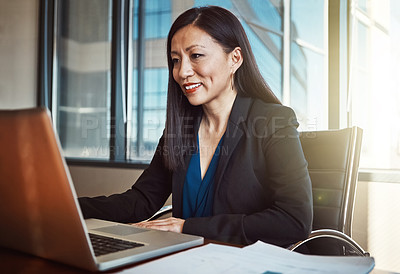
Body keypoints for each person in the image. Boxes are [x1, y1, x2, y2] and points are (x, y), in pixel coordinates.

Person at [79, 5, 313, 247]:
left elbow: (294, 220)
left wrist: (186, 227)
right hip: (188, 260)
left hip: (245, 262)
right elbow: (141, 199)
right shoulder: (181, 129)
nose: (182, 72)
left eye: (196, 56)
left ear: (234, 59)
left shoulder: (273, 122)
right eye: (176, 60)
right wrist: (69, 206)